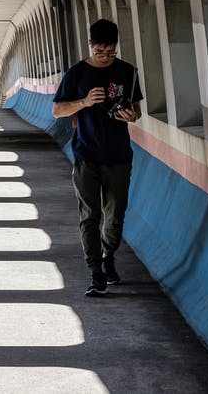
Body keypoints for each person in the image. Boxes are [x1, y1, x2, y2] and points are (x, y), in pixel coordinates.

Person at [51, 19, 142, 296]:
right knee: (89, 215)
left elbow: (136, 108)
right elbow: (57, 111)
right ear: (90, 44)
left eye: (111, 52)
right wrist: (84, 102)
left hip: (118, 155)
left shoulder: (127, 71)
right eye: (101, 51)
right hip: (85, 155)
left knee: (115, 215)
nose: (105, 57)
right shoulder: (77, 74)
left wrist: (132, 115)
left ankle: (108, 255)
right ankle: (95, 272)